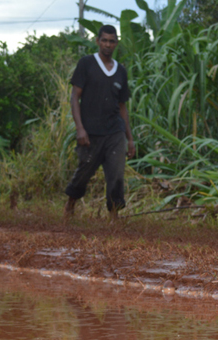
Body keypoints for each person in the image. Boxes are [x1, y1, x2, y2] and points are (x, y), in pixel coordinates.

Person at [64, 25, 135, 219]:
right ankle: (70, 204)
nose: (107, 45)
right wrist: (80, 128)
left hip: (115, 131)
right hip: (90, 132)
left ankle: (114, 216)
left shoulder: (121, 71)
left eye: (112, 41)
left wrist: (129, 138)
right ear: (97, 41)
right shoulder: (86, 64)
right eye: (104, 40)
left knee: (116, 175)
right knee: (84, 173)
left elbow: (122, 107)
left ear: (116, 43)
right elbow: (74, 97)